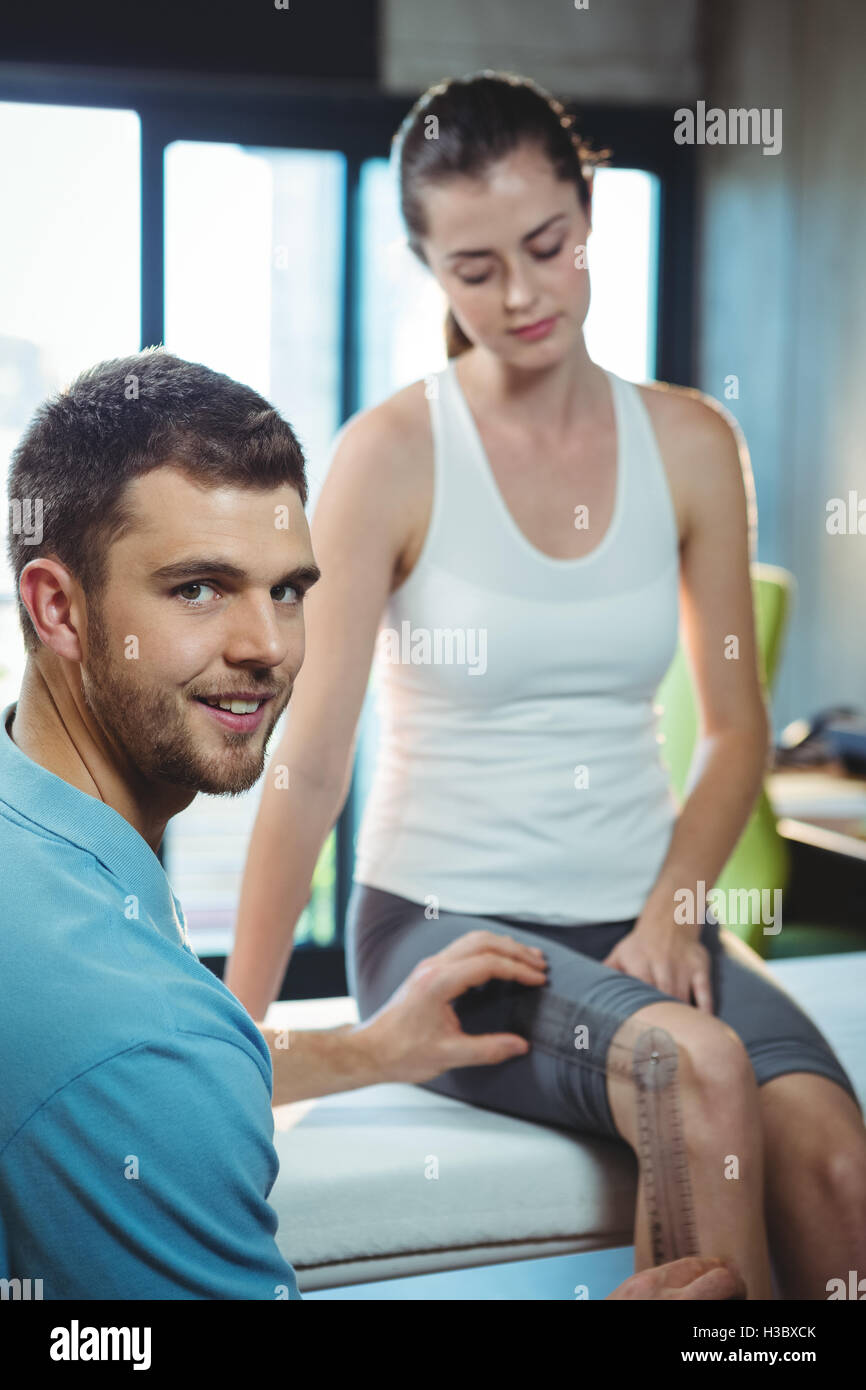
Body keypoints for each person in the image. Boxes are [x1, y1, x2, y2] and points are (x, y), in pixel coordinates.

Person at [225, 72, 866, 1301]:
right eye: (473, 269)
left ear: (589, 218)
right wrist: (233, 1041)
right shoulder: (393, 454)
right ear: (426, 266)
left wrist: (676, 904)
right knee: (696, 1070)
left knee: (838, 1168)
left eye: (545, 245)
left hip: (640, 918)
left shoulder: (687, 443)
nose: (517, 295)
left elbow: (734, 730)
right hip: (443, 921)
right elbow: (310, 764)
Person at [0, 349, 735, 1301]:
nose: (266, 647)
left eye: (288, 590)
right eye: (197, 589)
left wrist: (373, 1049)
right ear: (57, 606)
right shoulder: (146, 1041)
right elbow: (147, 1064)